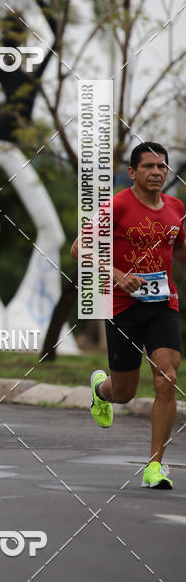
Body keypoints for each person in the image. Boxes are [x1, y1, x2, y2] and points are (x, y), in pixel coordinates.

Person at [71, 142, 186, 489]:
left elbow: (179, 253)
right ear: (133, 172)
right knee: (125, 393)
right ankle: (101, 390)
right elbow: (79, 247)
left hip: (163, 304)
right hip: (123, 307)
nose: (156, 172)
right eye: (149, 166)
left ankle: (155, 467)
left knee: (167, 377)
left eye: (162, 166)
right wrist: (118, 274)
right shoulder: (117, 206)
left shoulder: (176, 208)